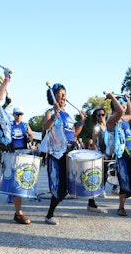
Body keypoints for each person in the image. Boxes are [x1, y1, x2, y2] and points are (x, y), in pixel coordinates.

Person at [43, 83, 106, 226]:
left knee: (82, 175)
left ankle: (92, 203)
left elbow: (74, 134)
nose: (64, 96)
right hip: (59, 152)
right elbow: (46, 127)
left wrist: (82, 121)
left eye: (65, 94)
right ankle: (49, 215)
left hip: (71, 150)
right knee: (62, 185)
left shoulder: (68, 115)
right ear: (54, 96)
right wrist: (54, 116)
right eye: (60, 93)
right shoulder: (50, 112)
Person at [0, 71, 31, 228]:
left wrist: (7, 102)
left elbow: (0, 107)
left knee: (14, 180)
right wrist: (7, 80)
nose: (1, 87)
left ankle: (18, 213)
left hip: (7, 147)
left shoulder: (1, 109)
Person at [6, 106, 34, 203]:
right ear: (13, 115)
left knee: (22, 172)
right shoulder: (10, 124)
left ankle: (21, 191)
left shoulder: (25, 125)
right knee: (12, 173)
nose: (18, 116)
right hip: (12, 151)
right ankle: (10, 194)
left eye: (20, 114)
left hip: (23, 151)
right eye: (17, 114)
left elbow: (31, 134)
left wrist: (29, 139)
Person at [92, 107, 119, 197]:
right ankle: (101, 189)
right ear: (96, 117)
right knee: (104, 171)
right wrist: (96, 153)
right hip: (102, 152)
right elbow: (94, 142)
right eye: (99, 115)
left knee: (115, 169)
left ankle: (115, 188)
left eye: (102, 114)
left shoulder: (110, 124)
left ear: (105, 115)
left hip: (112, 151)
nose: (101, 117)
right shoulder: (96, 128)